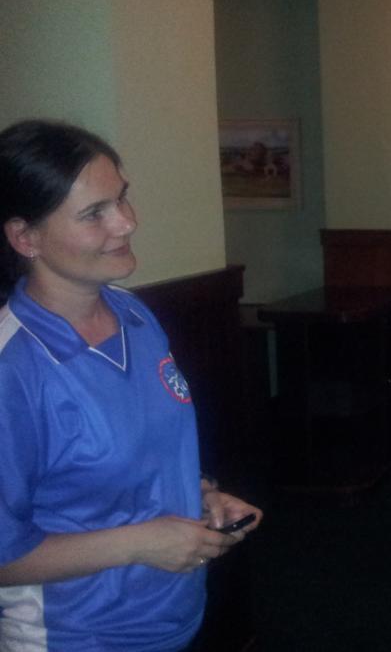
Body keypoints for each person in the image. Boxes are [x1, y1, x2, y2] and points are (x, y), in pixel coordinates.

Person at [0, 120, 263, 651]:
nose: (127, 222)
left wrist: (201, 496)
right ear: (25, 238)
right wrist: (141, 543)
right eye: (94, 213)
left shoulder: (133, 314)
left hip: (172, 615)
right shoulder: (13, 369)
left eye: (121, 198)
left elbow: (140, 455)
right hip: (77, 636)